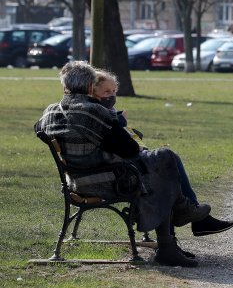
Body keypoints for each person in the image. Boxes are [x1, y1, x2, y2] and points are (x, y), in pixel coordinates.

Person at [36, 61, 216, 267]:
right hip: (106, 180)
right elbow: (129, 150)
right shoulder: (92, 110)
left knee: (160, 161)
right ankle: (170, 241)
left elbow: (39, 130)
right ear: (89, 87)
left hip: (75, 181)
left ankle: (177, 227)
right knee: (164, 161)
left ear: (65, 86)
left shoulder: (49, 112)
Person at [92, 70, 233, 238]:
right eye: (107, 92)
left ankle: (195, 221)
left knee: (169, 161)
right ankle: (192, 221)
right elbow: (123, 145)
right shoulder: (98, 113)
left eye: (114, 91)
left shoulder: (97, 111)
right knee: (168, 162)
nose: (112, 95)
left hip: (119, 167)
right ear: (93, 93)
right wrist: (121, 121)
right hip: (121, 172)